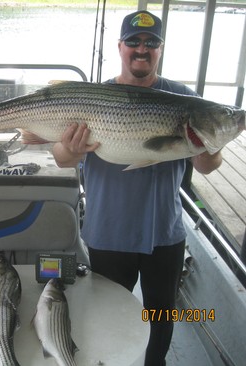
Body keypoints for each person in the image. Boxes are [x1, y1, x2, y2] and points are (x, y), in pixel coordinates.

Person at [52, 11, 222, 366]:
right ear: (120, 47)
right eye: (134, 42)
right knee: (108, 315)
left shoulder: (183, 99)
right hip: (109, 232)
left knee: (160, 318)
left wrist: (212, 142)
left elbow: (206, 165)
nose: (141, 49)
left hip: (164, 232)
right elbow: (62, 159)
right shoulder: (94, 96)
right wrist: (70, 147)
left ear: (160, 49)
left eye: (151, 43)